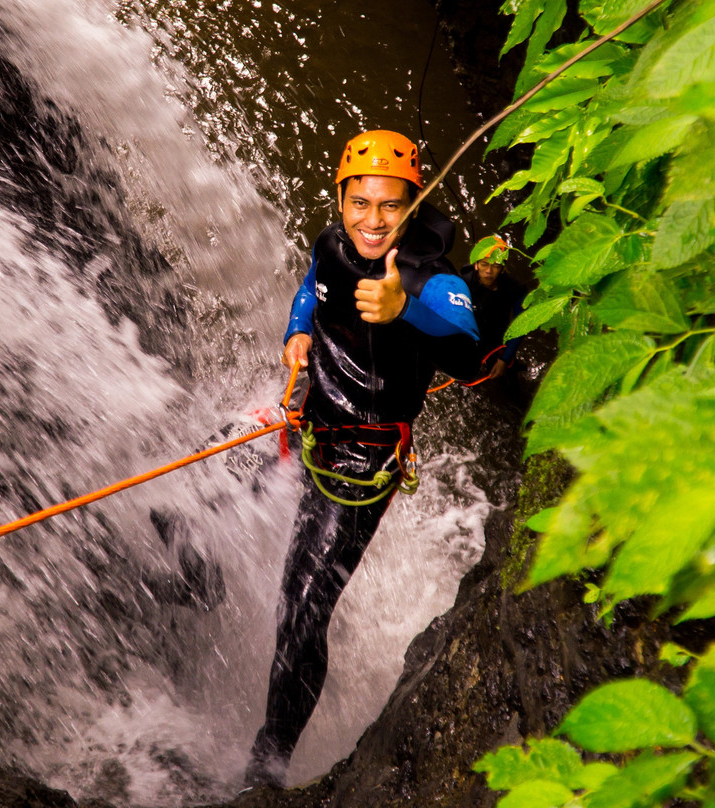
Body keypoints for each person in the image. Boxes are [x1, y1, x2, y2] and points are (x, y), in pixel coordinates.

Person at [244, 130, 483, 788]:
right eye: (360, 202)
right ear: (341, 197)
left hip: (363, 464)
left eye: (391, 205)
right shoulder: (332, 243)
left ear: (415, 204)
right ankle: (197, 579)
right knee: (223, 495)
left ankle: (268, 763)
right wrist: (298, 330)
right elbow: (313, 282)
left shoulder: (433, 280)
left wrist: (406, 310)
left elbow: (465, 351)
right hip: (311, 426)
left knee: (302, 609)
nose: (372, 220)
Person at [460, 236, 526, 381]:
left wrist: (505, 359)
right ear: (476, 265)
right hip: (469, 336)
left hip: (496, 340)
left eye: (495, 266)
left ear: (503, 269)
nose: (489, 271)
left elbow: (521, 324)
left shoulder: (514, 290)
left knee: (505, 380)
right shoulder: (463, 283)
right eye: (484, 264)